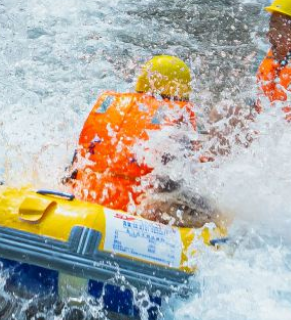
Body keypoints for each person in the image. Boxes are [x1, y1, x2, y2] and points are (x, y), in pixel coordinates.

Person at [66, 55, 196, 212]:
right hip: (133, 209)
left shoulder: (112, 107)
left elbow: (74, 166)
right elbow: (172, 184)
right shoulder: (175, 117)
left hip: (84, 199)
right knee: (208, 210)